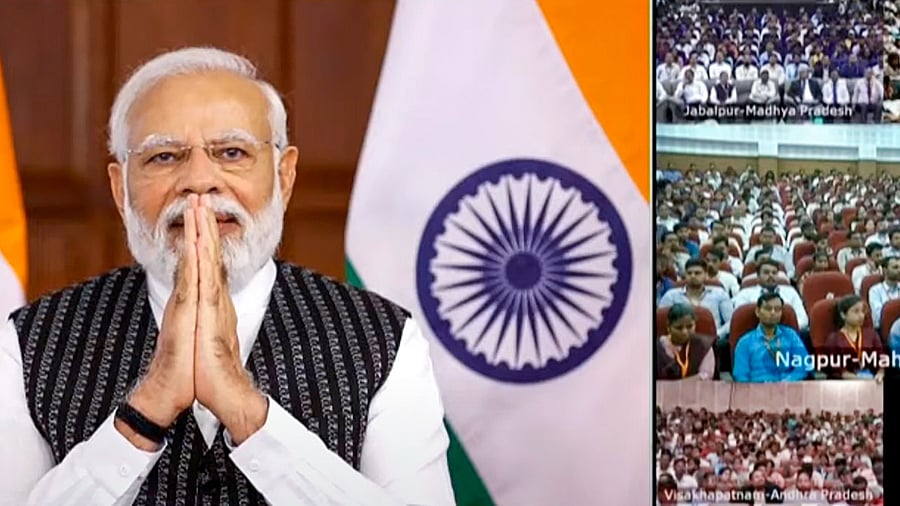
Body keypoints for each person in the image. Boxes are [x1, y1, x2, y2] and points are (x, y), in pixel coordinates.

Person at [0, 47, 455, 505]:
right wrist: (144, 413)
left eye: (232, 152)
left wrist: (246, 411)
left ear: (285, 175)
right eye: (164, 157)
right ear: (121, 189)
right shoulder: (29, 340)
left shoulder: (382, 337)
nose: (199, 180)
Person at [732, 292, 812, 383]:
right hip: (757, 391)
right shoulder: (745, 342)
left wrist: (786, 382)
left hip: (789, 389)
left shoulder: (790, 335)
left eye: (777, 309)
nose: (773, 313)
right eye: (768, 309)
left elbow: (804, 365)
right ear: (757, 312)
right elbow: (740, 376)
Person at [823, 295, 885, 381]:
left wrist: (880, 373)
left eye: (863, 311)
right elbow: (837, 370)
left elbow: (881, 359)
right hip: (844, 384)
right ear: (843, 315)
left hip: (872, 380)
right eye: (856, 311)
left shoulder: (871, 334)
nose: (861, 316)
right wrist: (859, 379)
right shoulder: (833, 339)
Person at [656, 304, 717, 381]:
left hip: (697, 390)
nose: (684, 332)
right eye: (678, 328)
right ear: (668, 327)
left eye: (689, 326)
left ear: (695, 325)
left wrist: (678, 385)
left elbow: (706, 376)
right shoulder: (657, 347)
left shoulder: (704, 345)